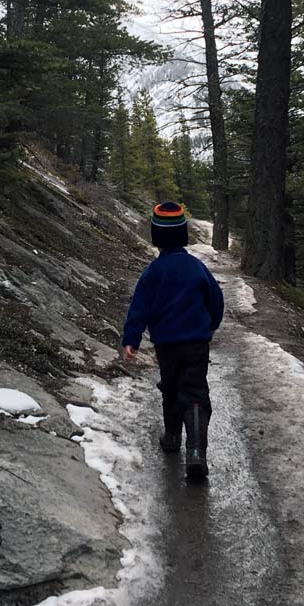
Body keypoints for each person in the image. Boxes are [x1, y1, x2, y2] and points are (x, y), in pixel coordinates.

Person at [122, 201, 224, 480]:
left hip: (166, 345)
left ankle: (171, 437)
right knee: (194, 392)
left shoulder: (153, 273)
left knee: (170, 388)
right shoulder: (196, 268)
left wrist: (131, 340)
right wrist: (212, 324)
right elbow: (216, 299)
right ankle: (196, 453)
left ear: (156, 238)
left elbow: (139, 308)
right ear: (183, 236)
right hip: (196, 343)